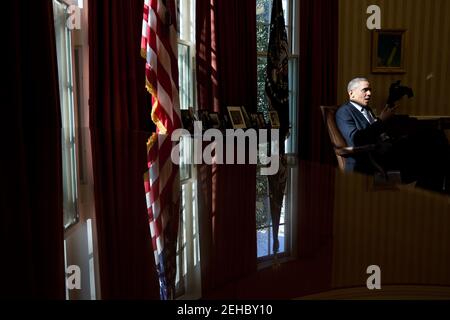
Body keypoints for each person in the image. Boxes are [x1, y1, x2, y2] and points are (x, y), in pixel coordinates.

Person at [335, 77, 450, 193]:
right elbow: (356, 139)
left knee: (436, 147)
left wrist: (385, 124)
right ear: (351, 93)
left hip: (389, 147)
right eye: (365, 90)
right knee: (434, 142)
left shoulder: (367, 109)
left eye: (370, 90)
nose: (369, 93)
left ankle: (430, 195)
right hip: (377, 155)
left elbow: (377, 130)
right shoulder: (345, 111)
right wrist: (381, 121)